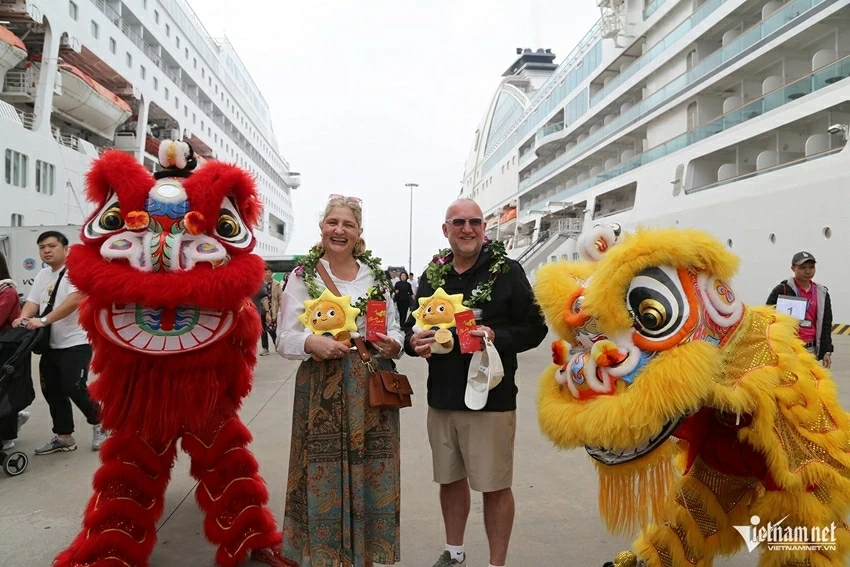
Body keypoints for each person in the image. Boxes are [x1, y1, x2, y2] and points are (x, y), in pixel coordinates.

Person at [405, 198, 548, 567]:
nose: (467, 229)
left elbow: (535, 328)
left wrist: (495, 335)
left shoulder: (508, 272)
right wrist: (413, 342)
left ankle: (495, 564)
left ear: (484, 228)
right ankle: (455, 554)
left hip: (491, 398)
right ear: (445, 230)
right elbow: (413, 327)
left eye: (474, 222)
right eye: (458, 222)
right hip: (443, 396)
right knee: (449, 481)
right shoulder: (432, 276)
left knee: (495, 485)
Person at [276, 195, 404, 567]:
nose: (339, 230)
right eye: (333, 222)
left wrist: (392, 342)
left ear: (359, 232)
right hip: (322, 389)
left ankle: (364, 556)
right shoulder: (304, 276)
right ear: (322, 228)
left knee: (372, 470)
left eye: (348, 224)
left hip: (370, 384)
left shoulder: (375, 276)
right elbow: (284, 338)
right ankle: (326, 557)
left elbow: (393, 328)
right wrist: (311, 342)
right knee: (321, 471)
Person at [11, 231, 106, 454]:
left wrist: (43, 320)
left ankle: (101, 423)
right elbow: (32, 302)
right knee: (52, 390)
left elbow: (75, 300)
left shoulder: (76, 273)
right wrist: (23, 317)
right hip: (50, 344)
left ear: (66, 249)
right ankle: (64, 436)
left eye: (52, 246)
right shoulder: (43, 276)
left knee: (74, 386)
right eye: (42, 247)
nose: (47, 250)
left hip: (76, 341)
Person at [766, 250, 833, 368]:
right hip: (788, 349)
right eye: (802, 267)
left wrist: (827, 351)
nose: (808, 271)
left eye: (811, 267)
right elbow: (767, 318)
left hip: (811, 350)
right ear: (793, 268)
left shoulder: (822, 292)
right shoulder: (782, 290)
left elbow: (826, 324)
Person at [0, 250, 32, 450]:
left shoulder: (7, 291)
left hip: (6, 349)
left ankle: (7, 433)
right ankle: (15, 417)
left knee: (4, 392)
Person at [260, 265, 281, 356]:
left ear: (271, 273)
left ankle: (277, 346)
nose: (267, 274)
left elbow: (280, 296)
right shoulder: (259, 284)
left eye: (269, 272)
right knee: (262, 330)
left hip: (273, 309)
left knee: (272, 329)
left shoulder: (276, 284)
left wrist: (280, 307)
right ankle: (265, 348)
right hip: (261, 310)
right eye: (265, 272)